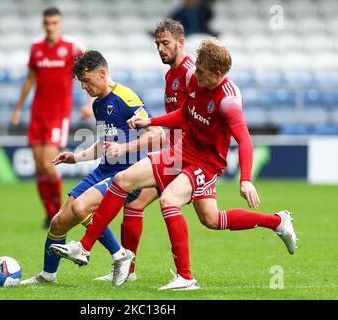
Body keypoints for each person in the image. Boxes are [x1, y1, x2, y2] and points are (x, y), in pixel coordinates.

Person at [50, 38, 298, 290]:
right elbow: (185, 114)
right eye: (196, 68)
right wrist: (151, 121)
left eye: (201, 72)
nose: (195, 75)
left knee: (171, 202)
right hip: (182, 150)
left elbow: (244, 140)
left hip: (207, 163)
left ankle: (186, 277)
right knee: (123, 181)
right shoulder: (195, 78)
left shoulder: (229, 100)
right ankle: (85, 247)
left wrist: (245, 179)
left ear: (218, 73)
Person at [20, 50, 164, 287]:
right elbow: (104, 144)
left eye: (86, 81)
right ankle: (48, 276)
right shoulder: (99, 104)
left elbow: (157, 134)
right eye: (81, 83)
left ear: (102, 73)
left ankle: (120, 255)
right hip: (103, 170)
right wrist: (76, 158)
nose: (84, 87)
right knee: (59, 221)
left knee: (80, 206)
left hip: (127, 175)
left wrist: (124, 148)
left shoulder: (126, 99)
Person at [94, 18, 197, 282]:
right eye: (157, 44)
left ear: (180, 42)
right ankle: (129, 271)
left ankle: (276, 222)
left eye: (165, 43)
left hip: (189, 156)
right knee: (136, 202)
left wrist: (153, 125)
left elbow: (192, 115)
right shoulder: (170, 74)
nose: (161, 48)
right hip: (175, 152)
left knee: (211, 217)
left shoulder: (190, 72)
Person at [10, 7, 93, 228]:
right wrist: (18, 108)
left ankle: (58, 210)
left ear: (60, 23)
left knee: (48, 165)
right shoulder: (36, 48)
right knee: (39, 167)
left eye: (54, 23)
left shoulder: (72, 47)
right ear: (43, 24)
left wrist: (89, 102)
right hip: (38, 114)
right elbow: (30, 79)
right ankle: (49, 214)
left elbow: (91, 68)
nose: (50, 27)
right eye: (47, 23)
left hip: (58, 115)